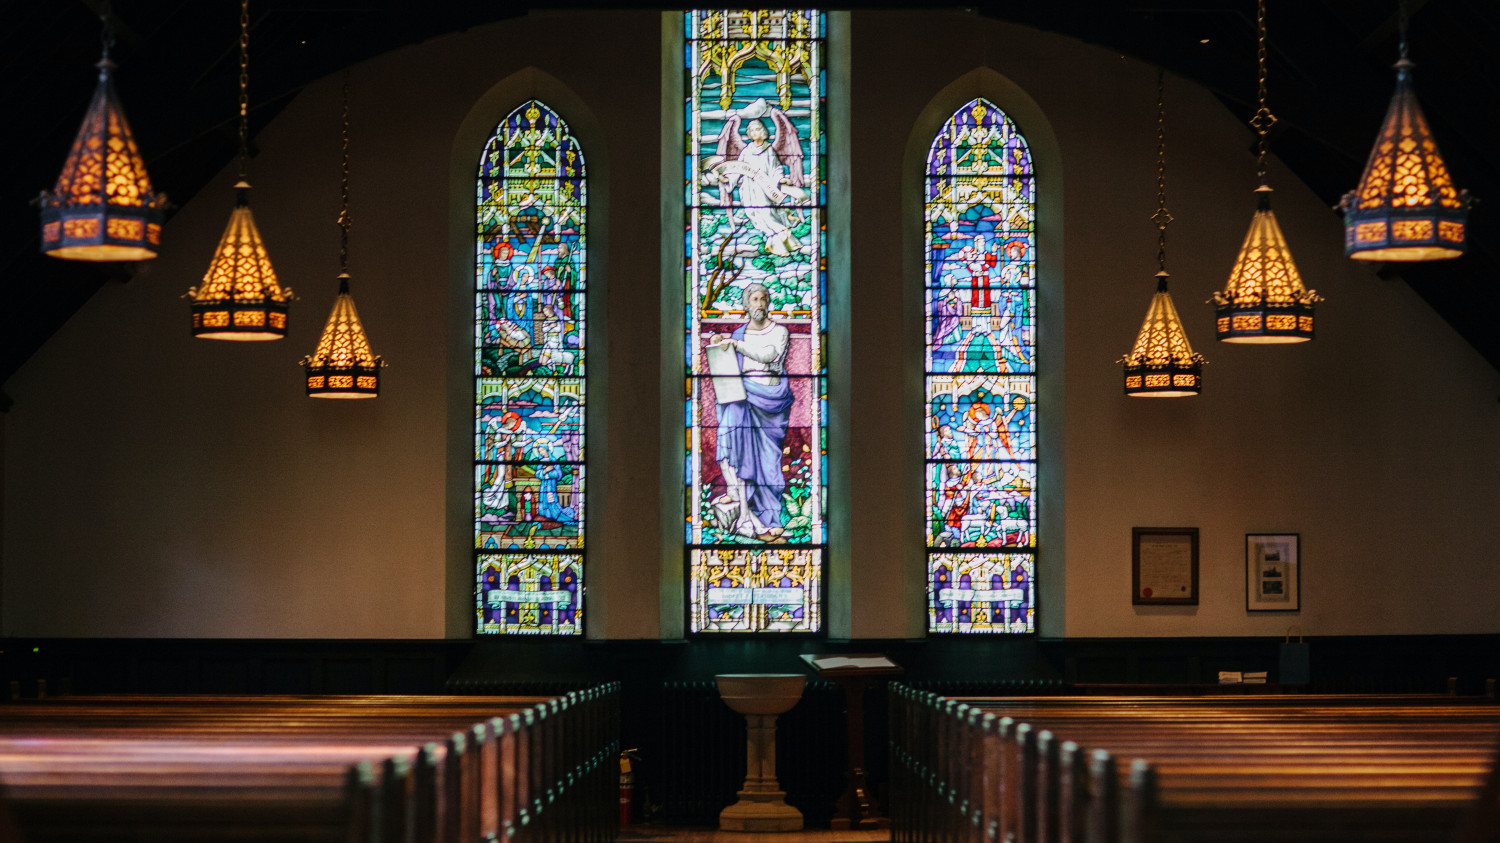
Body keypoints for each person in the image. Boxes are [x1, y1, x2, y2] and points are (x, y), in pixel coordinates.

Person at [707, 283, 794, 540]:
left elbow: (769, 355)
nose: (758, 304)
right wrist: (718, 343)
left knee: (769, 462)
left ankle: (770, 517)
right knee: (731, 444)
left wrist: (735, 343)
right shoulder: (739, 332)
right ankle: (742, 505)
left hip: (770, 402)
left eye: (763, 299)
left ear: (768, 303)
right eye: (754, 299)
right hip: (740, 397)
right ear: (746, 304)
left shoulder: (779, 331)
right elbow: (726, 360)